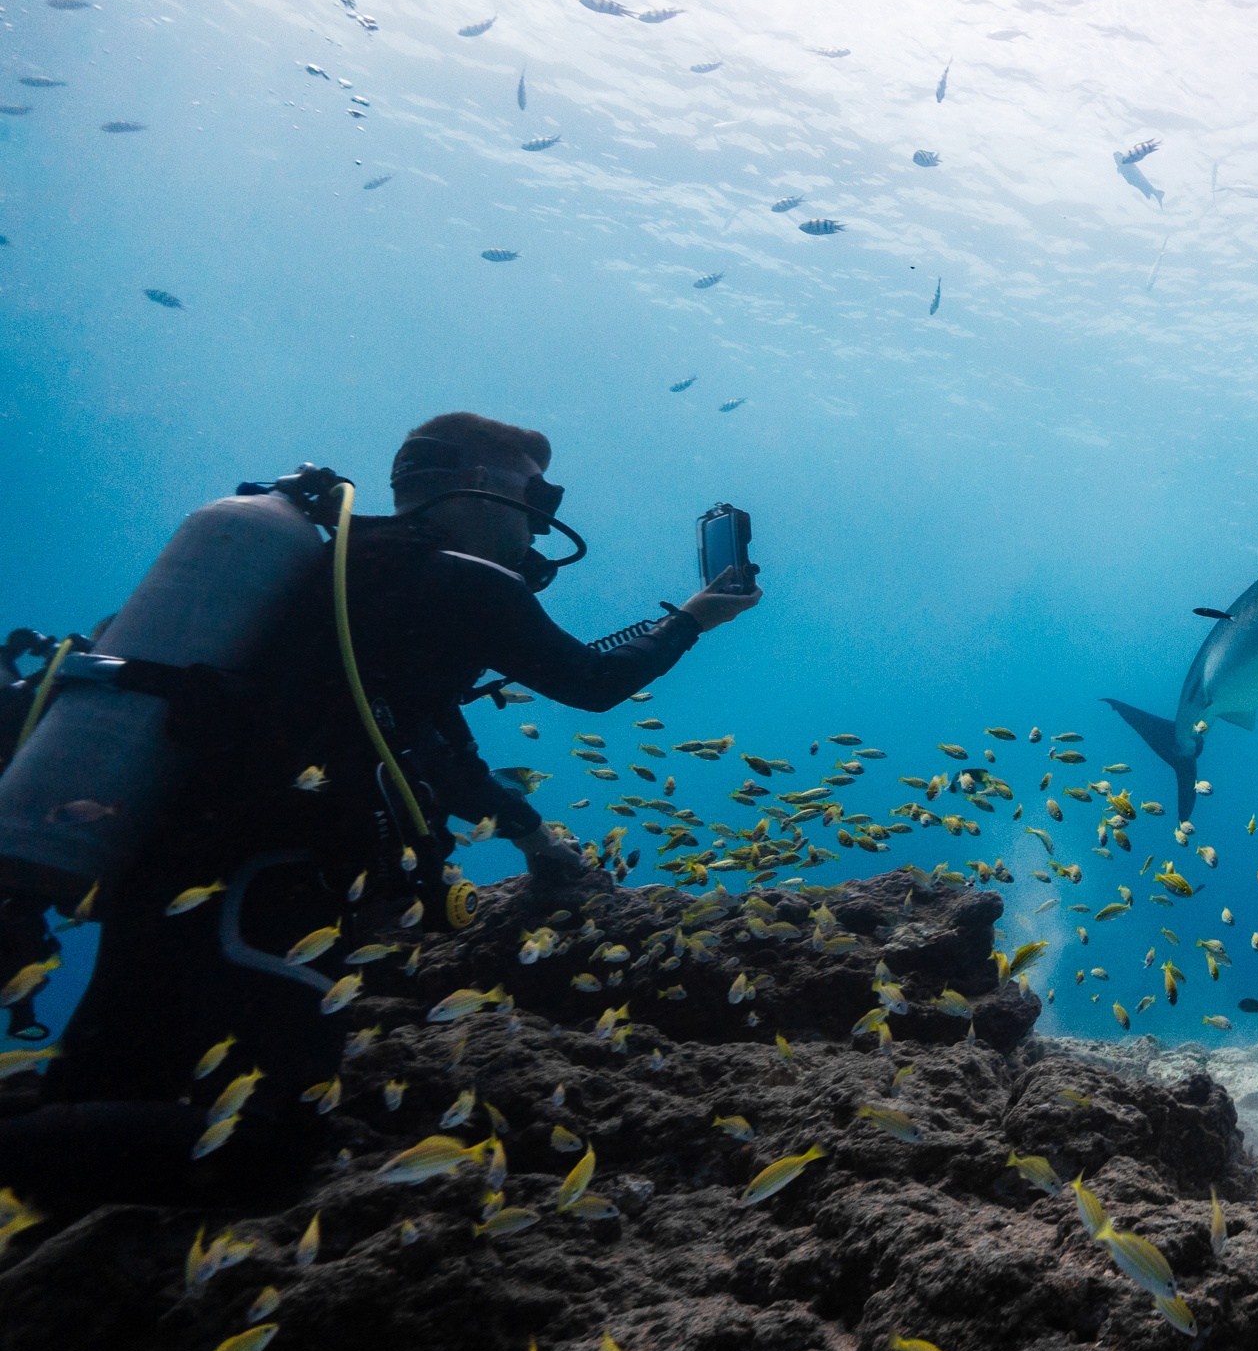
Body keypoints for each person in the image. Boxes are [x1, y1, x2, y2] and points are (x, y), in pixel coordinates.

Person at [0, 412, 759, 1214]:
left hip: (168, 862)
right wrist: (693, 617)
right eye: (540, 493)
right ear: (494, 486)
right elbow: (592, 683)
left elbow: (434, 749)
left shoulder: (350, 570)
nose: (541, 518)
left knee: (105, 1093)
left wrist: (537, 843)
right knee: (262, 1151)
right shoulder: (457, 579)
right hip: (271, 882)